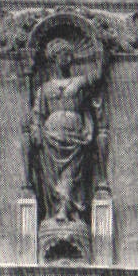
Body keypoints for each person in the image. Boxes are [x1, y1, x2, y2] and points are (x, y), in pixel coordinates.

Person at [30, 39, 98, 225]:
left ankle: (65, 210)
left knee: (71, 174)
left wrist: (102, 50)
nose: (69, 58)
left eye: (70, 54)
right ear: (54, 58)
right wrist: (36, 128)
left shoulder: (79, 82)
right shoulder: (44, 88)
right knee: (51, 176)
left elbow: (97, 75)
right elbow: (38, 113)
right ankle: (55, 210)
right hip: (50, 138)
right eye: (64, 54)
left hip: (74, 136)